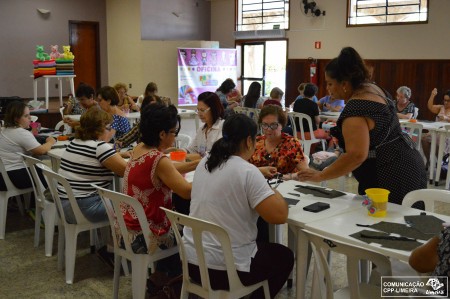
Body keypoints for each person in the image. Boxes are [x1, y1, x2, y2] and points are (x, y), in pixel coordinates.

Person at [297, 47, 427, 206]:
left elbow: (356, 155)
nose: (328, 89)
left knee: (387, 222)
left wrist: (320, 175)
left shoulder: (356, 109)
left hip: (390, 172)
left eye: (330, 83)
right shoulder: (374, 89)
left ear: (344, 83)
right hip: (407, 159)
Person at [183, 113, 294, 298]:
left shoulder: (205, 162)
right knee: (284, 257)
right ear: (249, 141)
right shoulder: (247, 171)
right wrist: (268, 187)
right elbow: (279, 216)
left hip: (192, 263)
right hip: (225, 271)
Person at [122, 104, 192, 269]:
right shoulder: (158, 160)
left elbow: (168, 170)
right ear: (162, 134)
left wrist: (196, 164)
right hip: (148, 234)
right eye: (174, 132)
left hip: (128, 228)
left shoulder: (140, 148)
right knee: (194, 232)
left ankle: (164, 275)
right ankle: (175, 280)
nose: (175, 137)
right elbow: (186, 192)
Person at [57, 107, 127, 224]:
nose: (111, 131)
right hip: (84, 208)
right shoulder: (100, 147)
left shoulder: (75, 142)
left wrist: (117, 154)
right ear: (99, 129)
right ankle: (123, 241)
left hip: (64, 206)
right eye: (109, 127)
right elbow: (127, 171)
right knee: (136, 207)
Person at [0, 101, 55, 190]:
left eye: (29, 114)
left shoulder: (5, 130)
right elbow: (41, 151)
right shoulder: (20, 132)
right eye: (26, 116)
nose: (30, 118)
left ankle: (35, 202)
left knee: (37, 168)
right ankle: (48, 199)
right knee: (46, 171)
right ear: (16, 118)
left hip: (3, 176)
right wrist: (51, 141)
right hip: (13, 176)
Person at [249, 105, 308, 178]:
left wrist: (284, 177)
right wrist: (259, 171)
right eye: (264, 125)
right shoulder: (256, 142)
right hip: (258, 185)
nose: (269, 129)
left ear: (282, 125)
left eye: (273, 125)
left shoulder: (291, 143)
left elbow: (305, 172)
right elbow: (243, 168)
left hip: (284, 185)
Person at [186, 92, 225, 158]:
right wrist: (178, 151)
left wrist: (198, 156)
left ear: (213, 109)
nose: (199, 114)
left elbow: (217, 154)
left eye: (202, 110)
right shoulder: (201, 130)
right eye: (198, 110)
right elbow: (191, 150)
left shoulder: (223, 127)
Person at [421, 88, 450, 167]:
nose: (446, 102)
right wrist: (432, 95)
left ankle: (441, 162)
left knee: (436, 142)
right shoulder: (441, 107)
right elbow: (430, 107)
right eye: (445, 100)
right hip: (437, 132)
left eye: (448, 101)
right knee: (424, 139)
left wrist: (446, 118)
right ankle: (429, 160)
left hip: (447, 135)